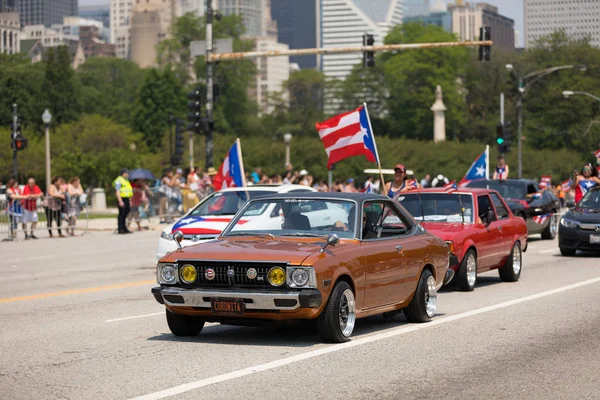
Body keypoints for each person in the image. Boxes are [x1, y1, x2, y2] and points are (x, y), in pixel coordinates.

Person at [113, 169, 133, 234]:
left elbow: (128, 191)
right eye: (126, 173)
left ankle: (124, 227)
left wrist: (130, 201)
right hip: (122, 199)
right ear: (123, 173)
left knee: (125, 214)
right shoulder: (119, 180)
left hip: (127, 199)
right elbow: (117, 191)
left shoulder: (126, 180)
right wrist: (120, 201)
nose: (127, 174)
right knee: (121, 214)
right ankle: (120, 228)